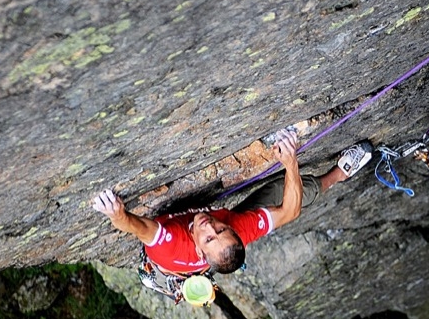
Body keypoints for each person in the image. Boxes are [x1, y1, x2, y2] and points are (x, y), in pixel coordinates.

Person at [91, 129, 373, 301]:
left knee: (293, 190)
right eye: (220, 230)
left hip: (166, 256)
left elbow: (134, 226)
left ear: (201, 252)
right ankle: (338, 175)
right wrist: (290, 163)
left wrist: (115, 212)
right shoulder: (236, 227)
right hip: (200, 252)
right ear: (234, 233)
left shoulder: (172, 243)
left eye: (211, 237)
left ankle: (335, 177)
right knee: (289, 191)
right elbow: (291, 211)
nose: (209, 225)